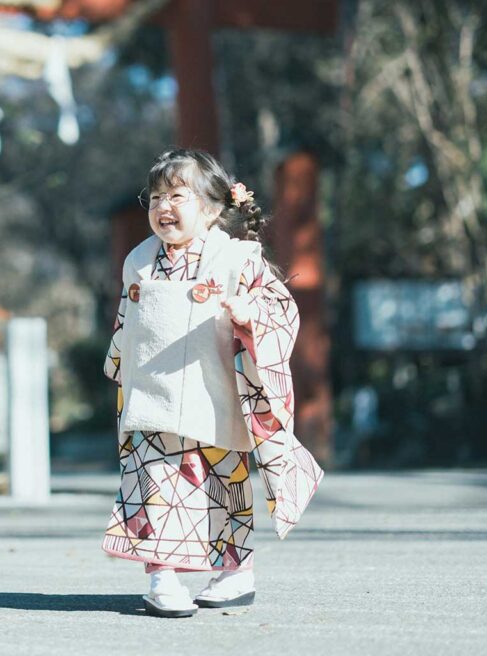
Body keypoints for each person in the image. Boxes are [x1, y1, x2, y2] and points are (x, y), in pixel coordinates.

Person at [101, 148, 323, 618]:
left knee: (224, 485)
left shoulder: (236, 258)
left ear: (213, 207)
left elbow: (281, 308)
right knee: (155, 482)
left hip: (213, 391)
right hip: (152, 399)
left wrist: (250, 315)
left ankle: (236, 573)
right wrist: (118, 365)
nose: (163, 206)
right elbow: (127, 321)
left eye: (177, 195)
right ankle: (162, 576)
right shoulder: (138, 260)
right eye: (156, 196)